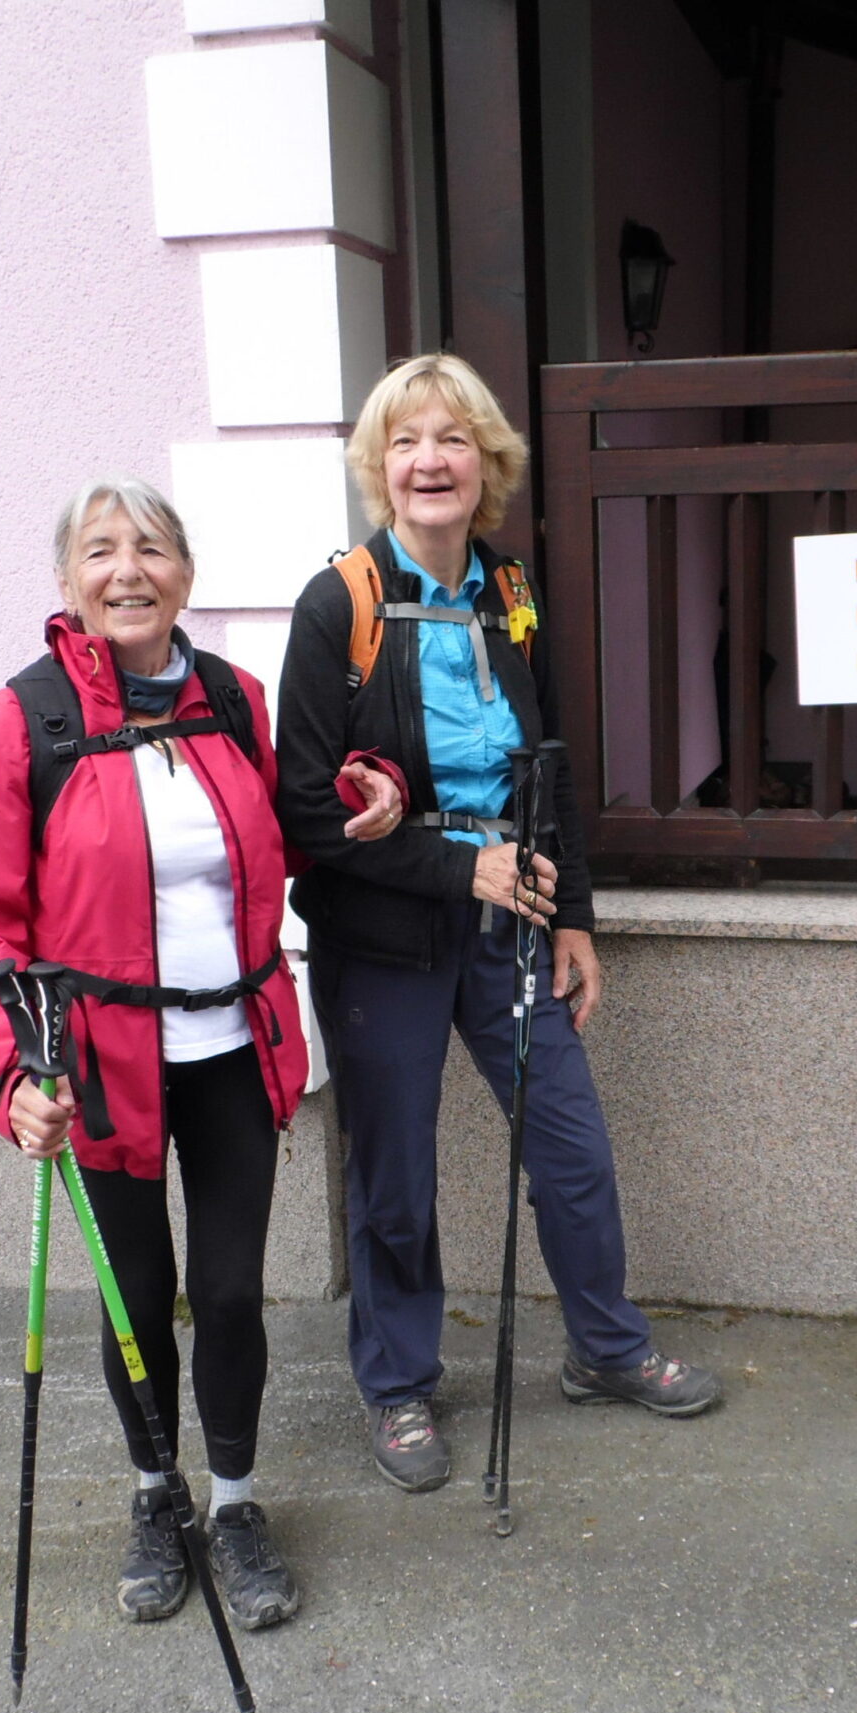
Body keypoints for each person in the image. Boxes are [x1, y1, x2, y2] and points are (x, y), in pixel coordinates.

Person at [0, 476, 405, 1629]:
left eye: (150, 547)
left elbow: (285, 828)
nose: (127, 570)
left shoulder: (233, 699)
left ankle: (234, 1504)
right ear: (66, 581)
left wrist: (365, 792)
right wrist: (9, 1077)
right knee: (136, 1300)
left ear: (185, 574)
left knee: (230, 1293)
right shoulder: (18, 725)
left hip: (234, 1044)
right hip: (98, 1066)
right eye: (100, 550)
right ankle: (156, 1494)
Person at [272, 353, 721, 1494]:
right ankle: (398, 1386)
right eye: (406, 441)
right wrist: (458, 866)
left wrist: (572, 915)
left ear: (488, 463)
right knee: (394, 1175)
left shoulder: (510, 591)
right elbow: (306, 811)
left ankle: (605, 1349)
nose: (430, 460)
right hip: (384, 937)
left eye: (454, 438)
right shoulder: (337, 605)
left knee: (572, 1147)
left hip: (513, 922)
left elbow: (548, 768)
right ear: (379, 467)